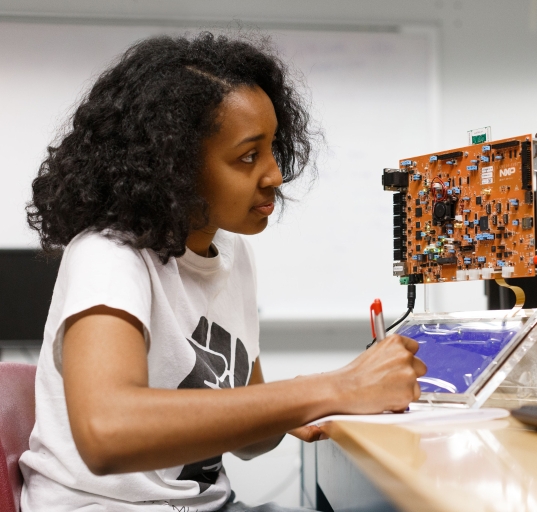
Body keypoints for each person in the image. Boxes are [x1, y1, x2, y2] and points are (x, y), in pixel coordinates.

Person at [20, 32, 426, 512]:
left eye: (273, 148)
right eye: (248, 156)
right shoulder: (109, 254)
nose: (275, 174)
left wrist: (317, 400)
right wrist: (328, 388)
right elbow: (106, 432)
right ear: (174, 166)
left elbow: (251, 442)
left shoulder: (228, 253)